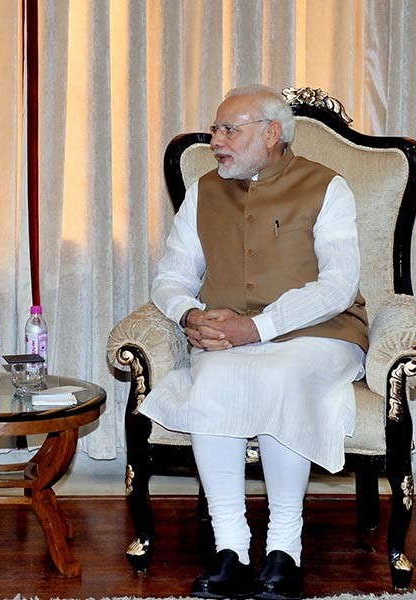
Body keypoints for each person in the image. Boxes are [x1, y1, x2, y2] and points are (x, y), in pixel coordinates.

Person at [144, 84, 368, 600]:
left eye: (229, 130)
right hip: (230, 336)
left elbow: (337, 287)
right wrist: (190, 315)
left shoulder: (327, 186)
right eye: (215, 130)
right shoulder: (204, 190)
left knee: (280, 375)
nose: (216, 141)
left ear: (271, 133)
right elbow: (170, 277)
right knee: (214, 377)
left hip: (320, 334)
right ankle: (232, 551)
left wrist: (259, 327)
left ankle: (284, 550)